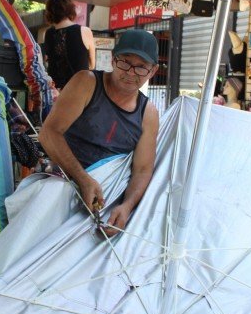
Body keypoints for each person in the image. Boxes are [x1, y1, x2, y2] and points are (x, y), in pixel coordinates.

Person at [38, 29, 160, 236]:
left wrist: (127, 207)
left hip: (106, 202)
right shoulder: (86, 82)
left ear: (153, 71)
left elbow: (142, 170)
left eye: (141, 67)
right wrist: (83, 179)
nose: (131, 72)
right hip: (61, 185)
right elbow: (49, 134)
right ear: (113, 59)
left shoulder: (148, 113)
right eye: (125, 62)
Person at [43, 0, 96, 90]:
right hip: (80, 91)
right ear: (70, 9)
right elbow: (92, 65)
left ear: (50, 12)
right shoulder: (85, 31)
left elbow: (48, 60)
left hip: (56, 92)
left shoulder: (48, 34)